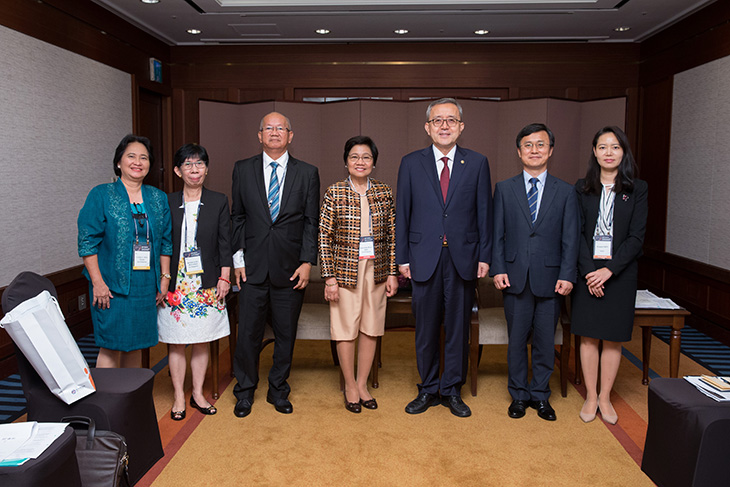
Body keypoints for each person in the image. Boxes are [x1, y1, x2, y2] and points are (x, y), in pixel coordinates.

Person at [396, 98, 492, 417]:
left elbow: (484, 214)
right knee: (425, 329)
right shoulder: (411, 163)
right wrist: (402, 258)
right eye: (438, 120)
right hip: (423, 257)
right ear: (428, 127)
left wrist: (484, 256)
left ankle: (451, 390)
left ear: (461, 127)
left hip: (463, 257)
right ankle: (427, 389)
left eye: (451, 120)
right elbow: (404, 215)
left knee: (457, 328)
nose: (445, 126)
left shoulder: (477, 163)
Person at [231, 112, 320, 418]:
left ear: (290, 135)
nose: (274, 132)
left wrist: (308, 262)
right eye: (267, 128)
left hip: (290, 268)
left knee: (285, 334)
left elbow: (311, 223)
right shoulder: (242, 170)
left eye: (280, 128)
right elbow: (238, 218)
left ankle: (278, 389)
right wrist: (237, 259)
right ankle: (244, 391)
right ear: (259, 135)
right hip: (252, 268)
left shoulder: (307, 173)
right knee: (248, 335)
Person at [490, 123, 580, 421]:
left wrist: (568, 274)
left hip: (552, 279)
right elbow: (497, 234)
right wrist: (498, 268)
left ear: (550, 150)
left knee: (544, 341)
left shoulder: (566, 192)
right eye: (528, 145)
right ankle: (518, 395)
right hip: (514, 277)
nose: (534, 150)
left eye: (540, 145)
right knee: (516, 341)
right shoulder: (504, 188)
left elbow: (571, 238)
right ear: (519, 152)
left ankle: (540, 395)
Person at [572, 126, 648, 425]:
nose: (608, 152)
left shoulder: (637, 189)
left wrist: (608, 271)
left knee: (613, 338)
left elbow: (636, 237)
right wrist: (591, 272)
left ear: (623, 152)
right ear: (594, 151)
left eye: (615, 147)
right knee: (589, 337)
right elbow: (575, 234)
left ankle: (606, 396)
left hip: (620, 275)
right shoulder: (581, 188)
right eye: (602, 147)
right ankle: (591, 395)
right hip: (587, 273)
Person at [319, 136, 399, 413]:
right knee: (345, 327)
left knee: (371, 325)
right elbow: (323, 237)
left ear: (374, 162)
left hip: (375, 269)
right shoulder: (334, 192)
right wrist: (329, 277)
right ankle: (350, 384)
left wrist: (392, 273)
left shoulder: (384, 192)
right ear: (346, 161)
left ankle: (363, 383)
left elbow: (393, 235)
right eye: (354, 156)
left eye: (366, 157)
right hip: (344, 271)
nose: (360, 162)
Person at [78, 134, 172, 368]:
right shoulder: (102, 194)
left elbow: (166, 241)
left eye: (144, 157)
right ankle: (108, 402)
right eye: (131, 156)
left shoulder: (158, 198)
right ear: (119, 162)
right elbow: (87, 242)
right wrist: (98, 283)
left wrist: (165, 278)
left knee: (136, 344)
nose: (137, 162)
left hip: (145, 284)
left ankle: (129, 401)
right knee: (110, 345)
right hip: (110, 284)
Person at [157, 143, 232, 421]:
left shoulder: (218, 200)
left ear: (207, 168)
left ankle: (197, 393)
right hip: (175, 282)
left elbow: (226, 241)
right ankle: (178, 395)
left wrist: (225, 275)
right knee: (175, 342)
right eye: (188, 164)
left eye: (199, 163)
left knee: (202, 339)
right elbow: (162, 243)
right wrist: (162, 279)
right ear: (178, 171)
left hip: (207, 281)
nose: (194, 169)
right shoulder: (166, 202)